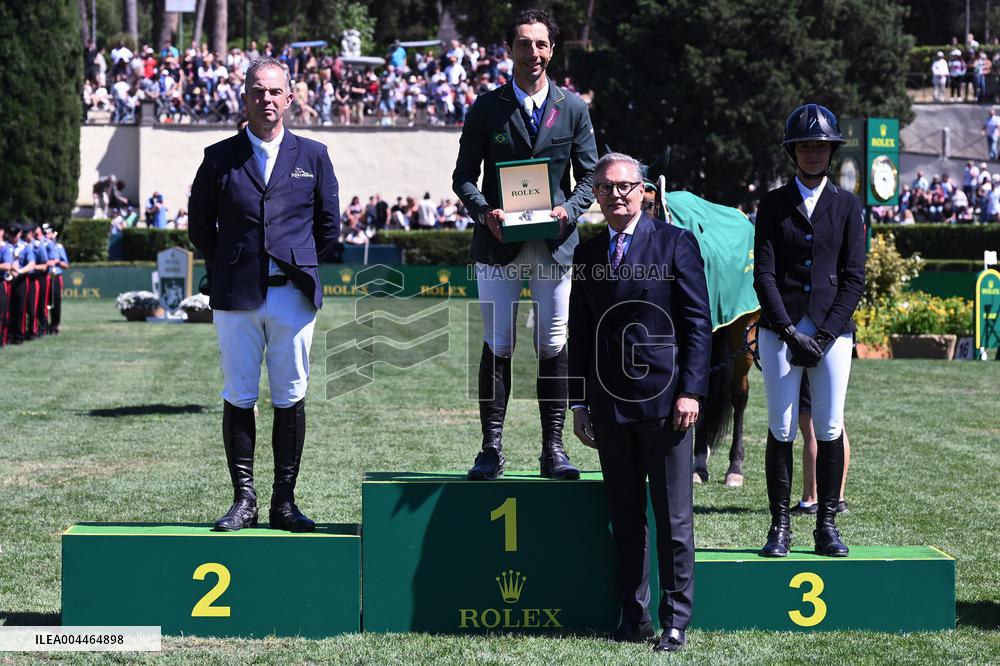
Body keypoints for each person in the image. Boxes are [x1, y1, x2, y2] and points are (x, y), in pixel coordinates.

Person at [188, 56, 340, 533]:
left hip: (293, 298)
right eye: (258, 91)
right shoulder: (218, 157)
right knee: (238, 394)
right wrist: (230, 263)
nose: (267, 99)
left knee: (291, 396)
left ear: (289, 98)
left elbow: (329, 227)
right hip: (237, 296)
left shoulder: (313, 154)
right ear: (245, 97)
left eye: (275, 92)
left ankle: (284, 502)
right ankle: (244, 500)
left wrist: (297, 260)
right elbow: (199, 226)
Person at [568, 153, 711, 652]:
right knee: (626, 520)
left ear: (645, 190)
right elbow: (580, 334)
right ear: (595, 194)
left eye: (625, 187)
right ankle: (634, 617)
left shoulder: (675, 243)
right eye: (605, 188)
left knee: (672, 520)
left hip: (668, 404)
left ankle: (676, 620)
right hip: (608, 408)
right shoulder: (585, 255)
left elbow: (697, 324)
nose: (616, 196)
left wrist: (692, 390)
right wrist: (578, 403)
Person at [453, 8, 598, 481]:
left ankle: (553, 449)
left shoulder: (573, 108)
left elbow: (590, 174)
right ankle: (490, 449)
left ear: (552, 50)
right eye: (522, 43)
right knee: (498, 343)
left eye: (540, 44)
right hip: (499, 244)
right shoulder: (486, 107)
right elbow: (462, 177)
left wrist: (569, 210)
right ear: (508, 49)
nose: (531, 52)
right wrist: (483, 211)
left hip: (554, 245)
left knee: (553, 344)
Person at [754, 103, 865, 558]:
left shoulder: (847, 205)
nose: (814, 153)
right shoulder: (774, 203)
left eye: (821, 146)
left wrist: (823, 335)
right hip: (781, 329)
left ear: (831, 151)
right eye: (806, 146)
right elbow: (764, 274)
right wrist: (786, 330)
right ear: (793, 152)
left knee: (830, 423)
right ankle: (780, 526)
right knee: (781, 426)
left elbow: (854, 276)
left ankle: (826, 524)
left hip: (832, 332)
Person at [790, 375, 851, 515]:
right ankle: (838, 499)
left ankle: (810, 500)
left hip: (811, 358)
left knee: (810, 425)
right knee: (836, 424)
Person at [46, 225, 68, 335]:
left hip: (55, 276)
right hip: (44, 276)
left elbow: (65, 265)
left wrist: (57, 261)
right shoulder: (42, 246)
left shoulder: (58, 247)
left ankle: (55, 324)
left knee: (56, 301)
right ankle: (43, 325)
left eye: (49, 233)